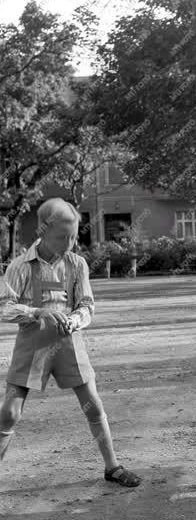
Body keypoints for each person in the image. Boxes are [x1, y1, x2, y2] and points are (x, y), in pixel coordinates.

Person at [0, 198, 141, 487]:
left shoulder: (77, 265)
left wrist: (74, 320)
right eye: (63, 236)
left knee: (93, 405)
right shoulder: (19, 266)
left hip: (69, 343)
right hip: (32, 344)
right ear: (42, 229)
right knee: (10, 413)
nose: (70, 242)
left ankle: (112, 466)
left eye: (75, 236)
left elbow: (87, 305)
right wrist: (38, 312)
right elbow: (4, 307)